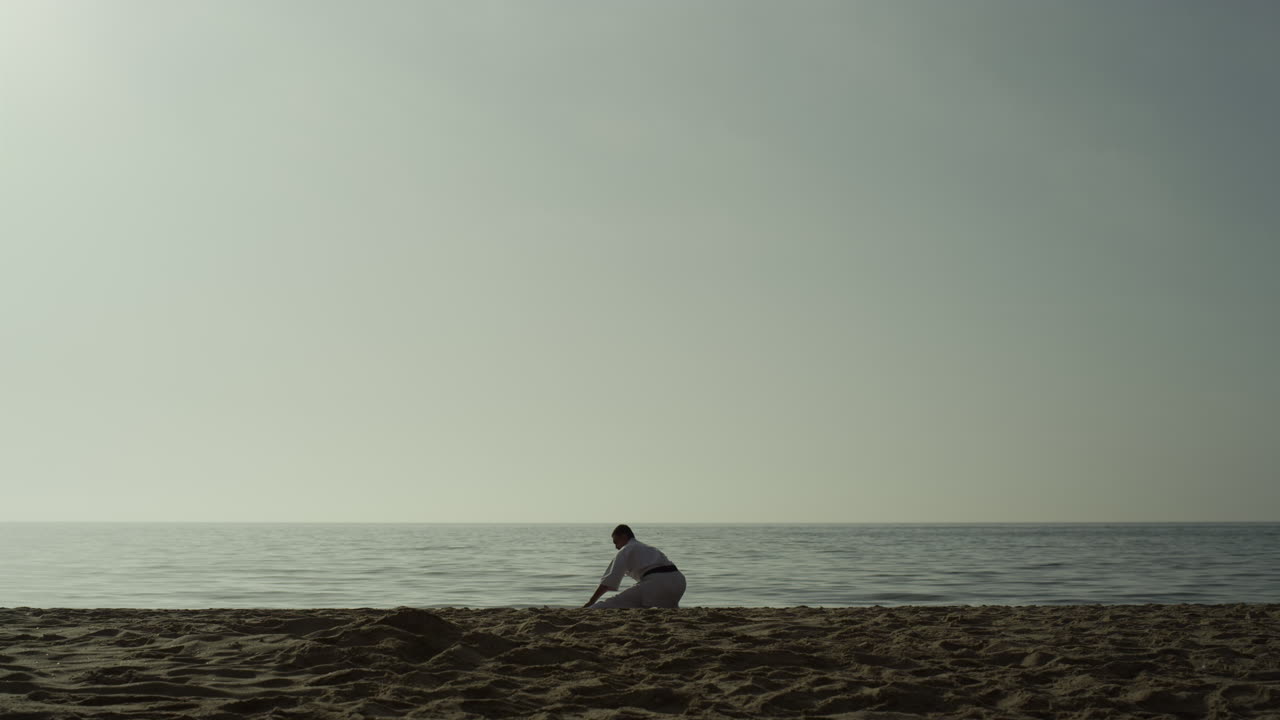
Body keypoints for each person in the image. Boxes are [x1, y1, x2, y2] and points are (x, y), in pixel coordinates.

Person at [583, 524, 686, 609]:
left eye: (616, 542)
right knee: (660, 604)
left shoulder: (626, 549)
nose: (616, 547)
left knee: (605, 606)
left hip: (656, 584)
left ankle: (591, 608)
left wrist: (591, 602)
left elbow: (608, 581)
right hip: (679, 582)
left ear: (624, 536)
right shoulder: (650, 548)